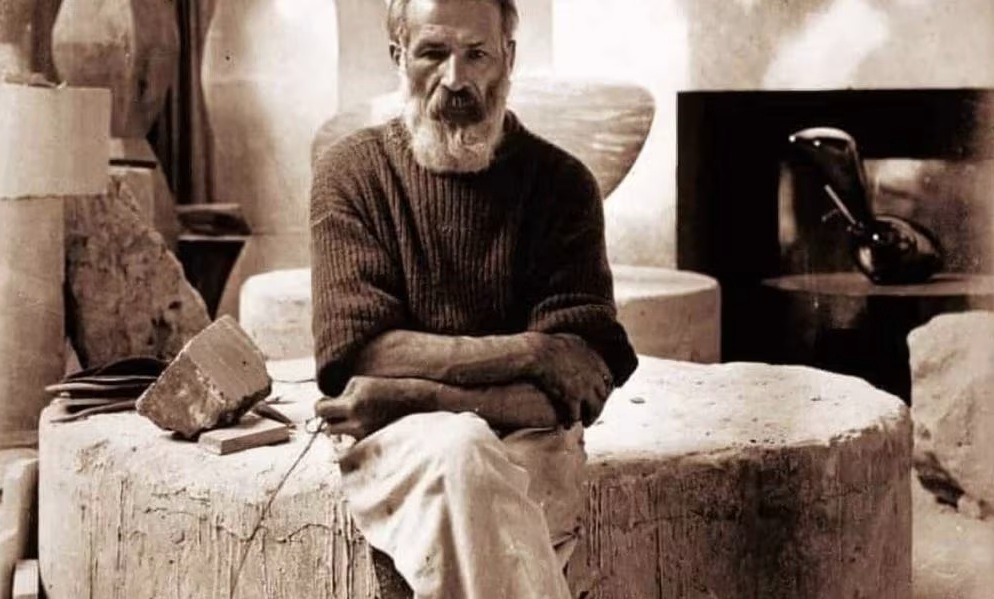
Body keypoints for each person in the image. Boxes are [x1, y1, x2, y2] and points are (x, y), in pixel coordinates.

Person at [309, 0, 638, 596]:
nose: (456, 79)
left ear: (508, 57)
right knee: (461, 452)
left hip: (520, 437)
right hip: (401, 443)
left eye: (477, 54)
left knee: (471, 457)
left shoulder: (563, 185)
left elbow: (569, 397)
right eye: (433, 53)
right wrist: (533, 353)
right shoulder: (351, 173)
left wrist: (414, 393)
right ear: (398, 57)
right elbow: (359, 355)